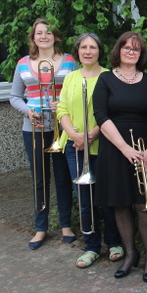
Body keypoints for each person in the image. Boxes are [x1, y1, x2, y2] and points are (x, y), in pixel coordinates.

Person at [93, 31, 147, 282]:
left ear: (141, 54)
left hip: (144, 147)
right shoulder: (105, 79)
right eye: (127, 48)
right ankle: (131, 255)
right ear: (118, 50)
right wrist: (124, 148)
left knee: (144, 204)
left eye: (136, 49)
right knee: (121, 203)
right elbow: (101, 115)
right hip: (115, 147)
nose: (131, 52)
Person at [9, 18, 77, 250]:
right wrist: (28, 111)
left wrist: (64, 104)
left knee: (63, 177)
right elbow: (15, 96)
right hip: (34, 128)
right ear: (33, 37)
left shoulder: (69, 61)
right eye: (39, 33)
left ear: (56, 37)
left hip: (62, 127)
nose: (44, 36)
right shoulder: (23, 63)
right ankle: (41, 228)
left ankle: (66, 225)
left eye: (48, 33)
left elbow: (77, 90)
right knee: (39, 179)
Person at [57, 33, 122, 268]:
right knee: (84, 199)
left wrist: (91, 134)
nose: (87, 51)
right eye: (83, 47)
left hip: (101, 144)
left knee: (106, 197)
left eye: (92, 47)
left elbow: (110, 110)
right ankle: (91, 247)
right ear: (77, 51)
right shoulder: (71, 77)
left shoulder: (107, 76)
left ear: (99, 51)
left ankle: (114, 242)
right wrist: (75, 136)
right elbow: (62, 109)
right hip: (74, 147)